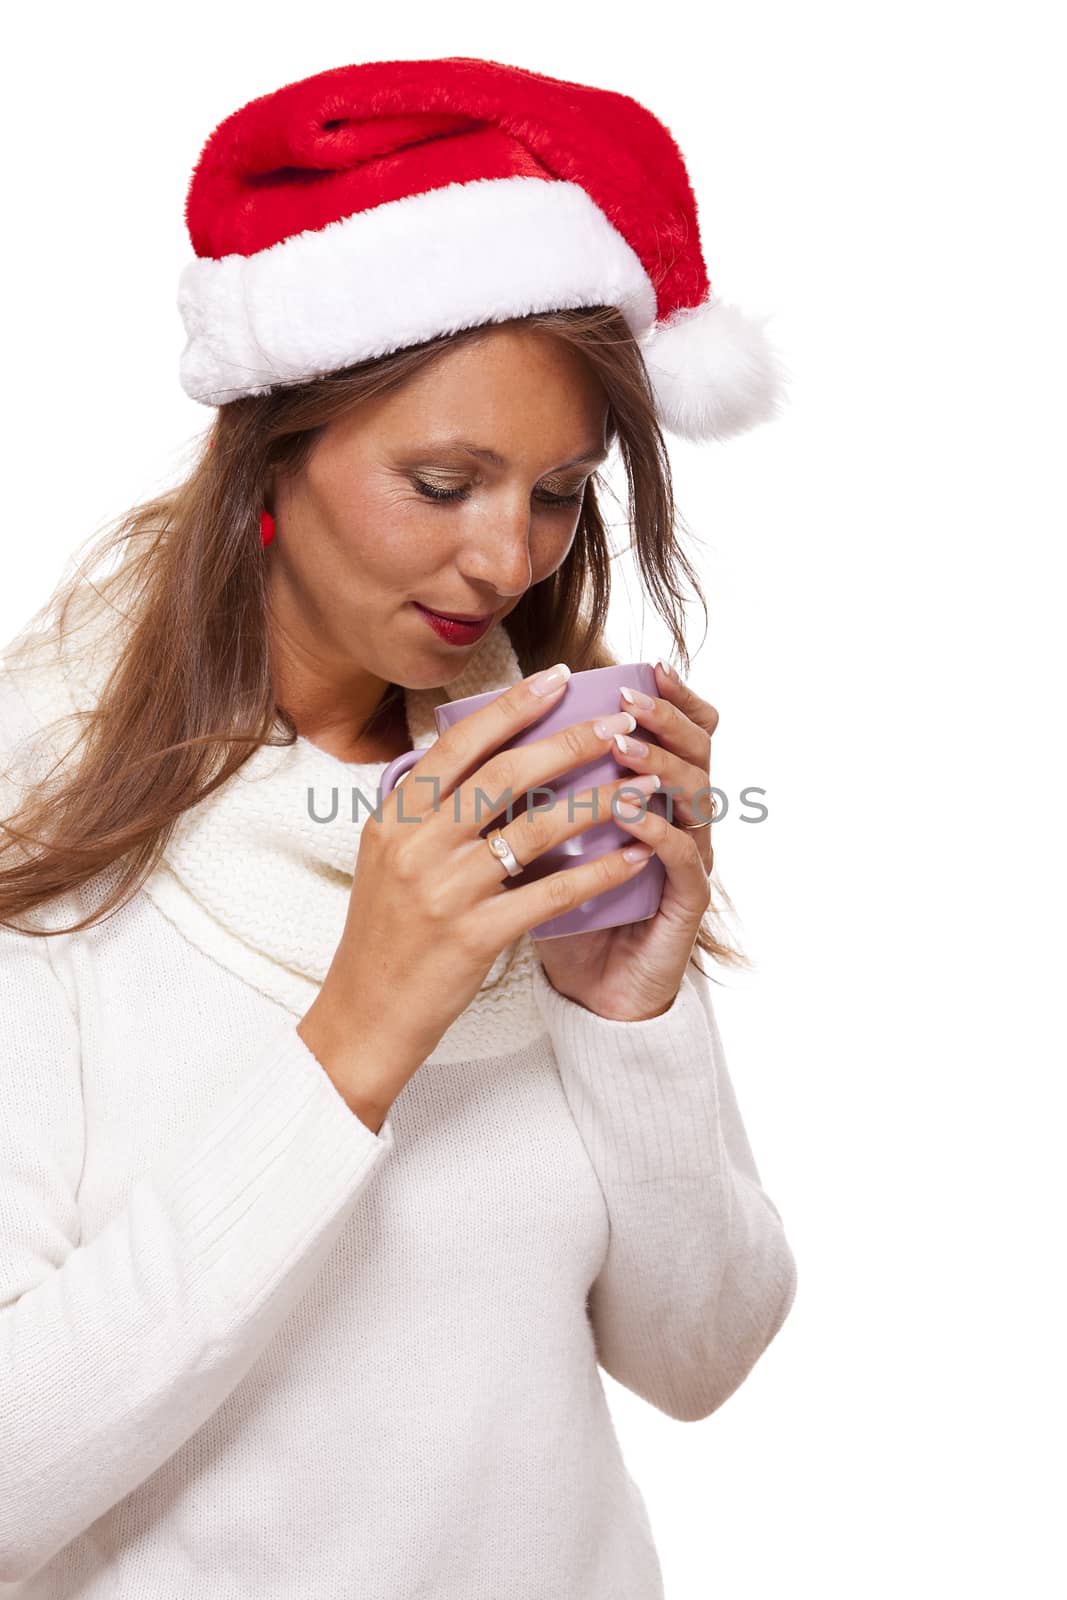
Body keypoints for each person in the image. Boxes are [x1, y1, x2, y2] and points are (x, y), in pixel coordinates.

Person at [0, 56, 797, 1598]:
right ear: (271, 459)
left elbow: (698, 1360)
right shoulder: (44, 812)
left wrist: (633, 1018)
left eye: (559, 495)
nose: (508, 557)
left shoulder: (538, 784)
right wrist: (357, 1035)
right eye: (443, 482)